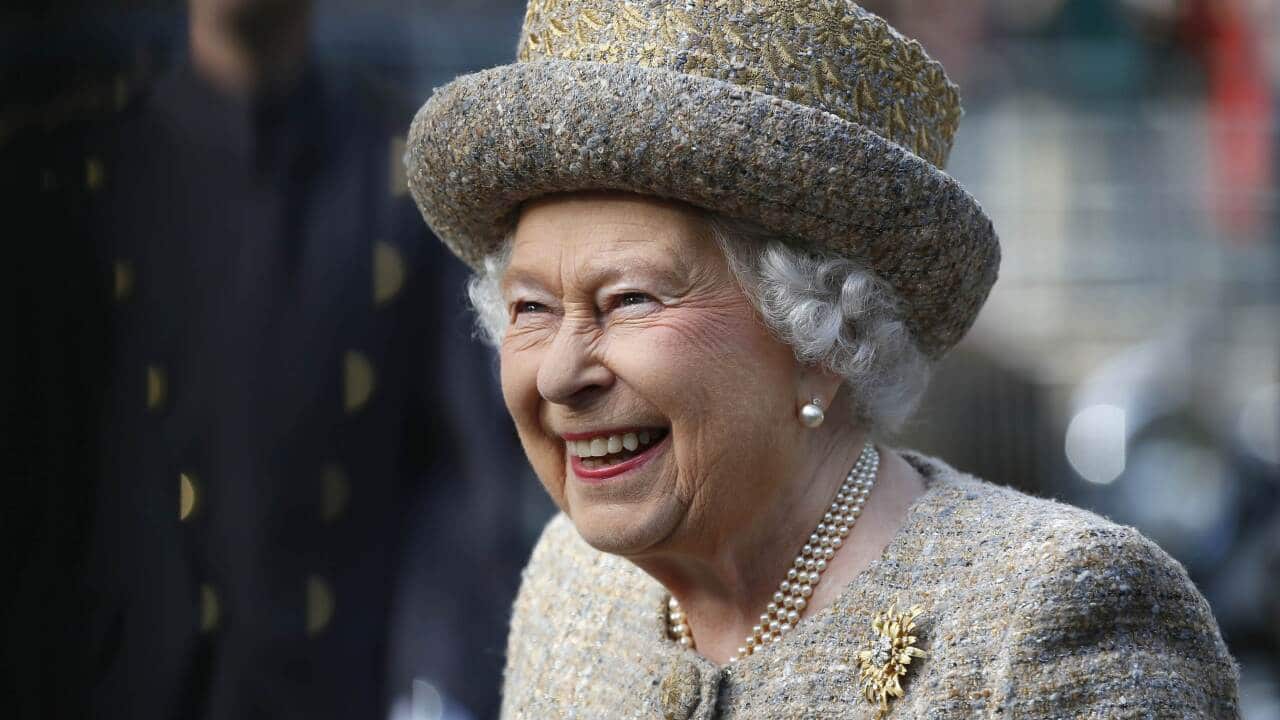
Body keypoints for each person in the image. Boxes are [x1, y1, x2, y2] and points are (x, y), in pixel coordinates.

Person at [403, 0, 1242, 717]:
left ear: (822, 338)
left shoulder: (1053, 618)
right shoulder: (573, 588)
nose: (558, 374)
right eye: (531, 309)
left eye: (628, 300)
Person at [3, 0, 532, 717]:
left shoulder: (405, 187)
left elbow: (467, 483)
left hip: (342, 687)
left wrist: (432, 689)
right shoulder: (69, 180)